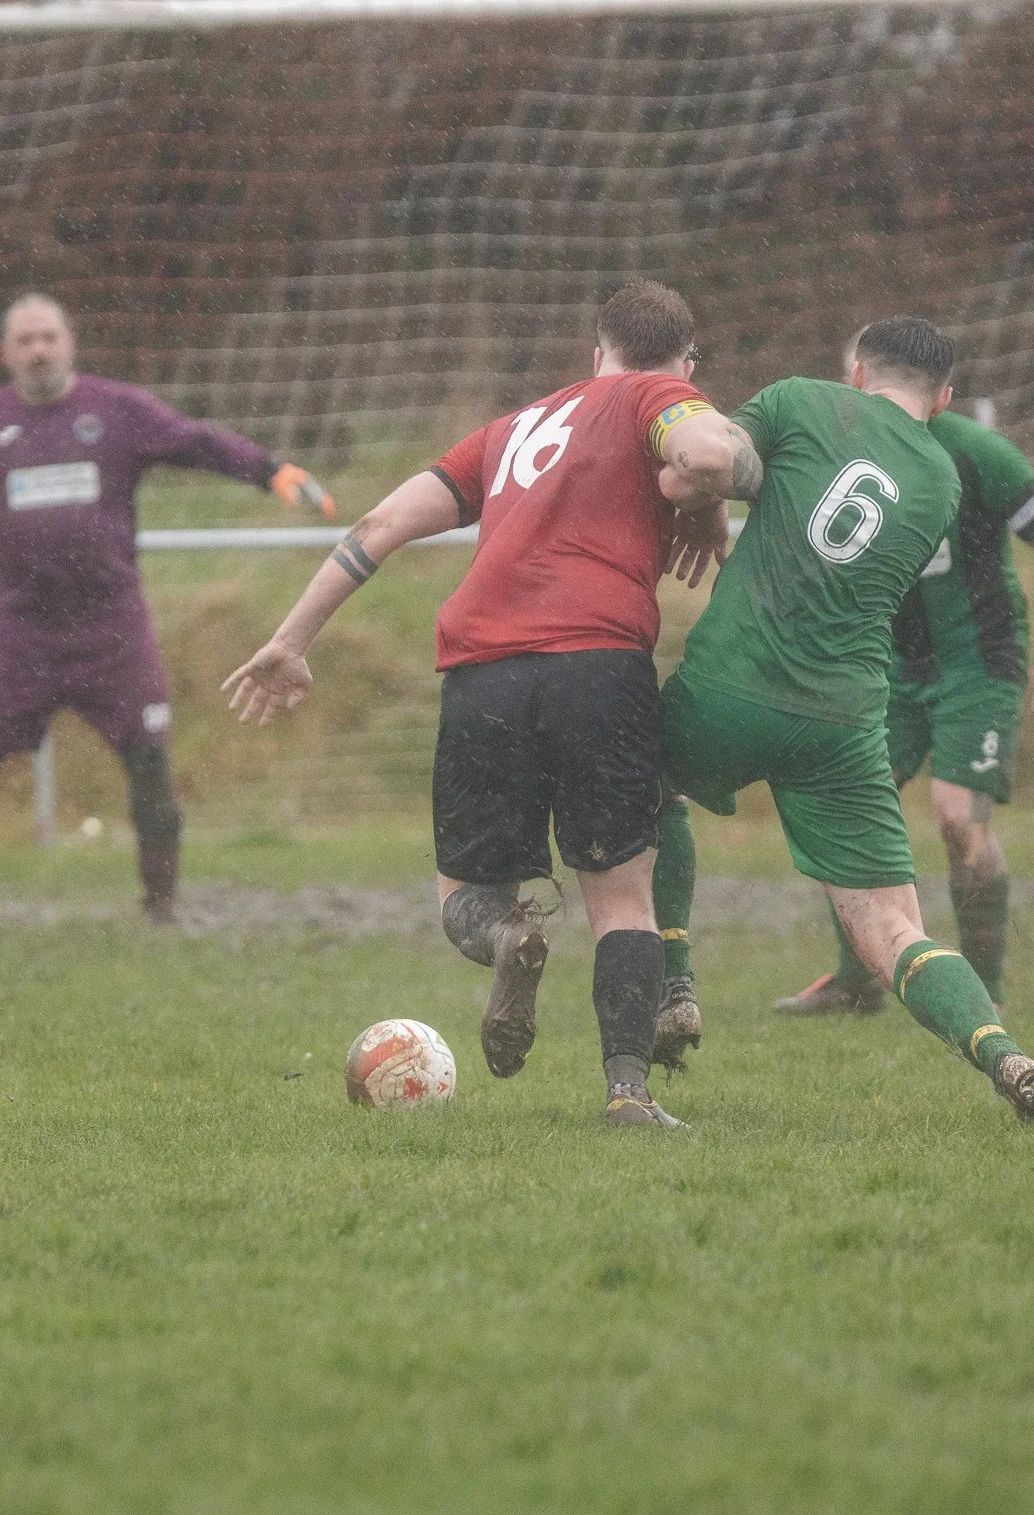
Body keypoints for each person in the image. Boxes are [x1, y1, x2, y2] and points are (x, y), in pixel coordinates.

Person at [223, 281, 736, 1129]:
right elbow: (706, 452)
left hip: (483, 672)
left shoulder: (513, 429)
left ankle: (505, 939)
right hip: (597, 665)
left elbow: (382, 525)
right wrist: (710, 501)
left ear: (595, 352)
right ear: (685, 362)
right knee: (621, 898)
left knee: (465, 888)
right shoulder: (658, 394)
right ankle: (627, 1093)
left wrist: (292, 640)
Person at [648, 317, 1034, 1127]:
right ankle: (1001, 1050)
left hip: (734, 683)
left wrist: (704, 502)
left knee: (642, 785)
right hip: (844, 715)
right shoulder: (941, 477)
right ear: (946, 397)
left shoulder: (799, 401)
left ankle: (674, 978)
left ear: (857, 373)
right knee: (891, 922)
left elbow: (696, 473)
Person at [0, 293, 334, 930]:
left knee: (149, 760)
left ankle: (164, 909)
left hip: (112, 627)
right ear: (4, 354)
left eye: (48, 337)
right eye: (24, 340)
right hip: (19, 631)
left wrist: (273, 473)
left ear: (71, 343)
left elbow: (198, 442)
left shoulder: (119, 411)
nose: (38, 350)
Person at [760, 388, 1034, 1022]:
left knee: (960, 816)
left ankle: (984, 995)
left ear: (939, 394)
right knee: (840, 799)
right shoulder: (846, 456)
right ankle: (859, 982)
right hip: (890, 669)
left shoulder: (976, 451)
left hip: (978, 665)